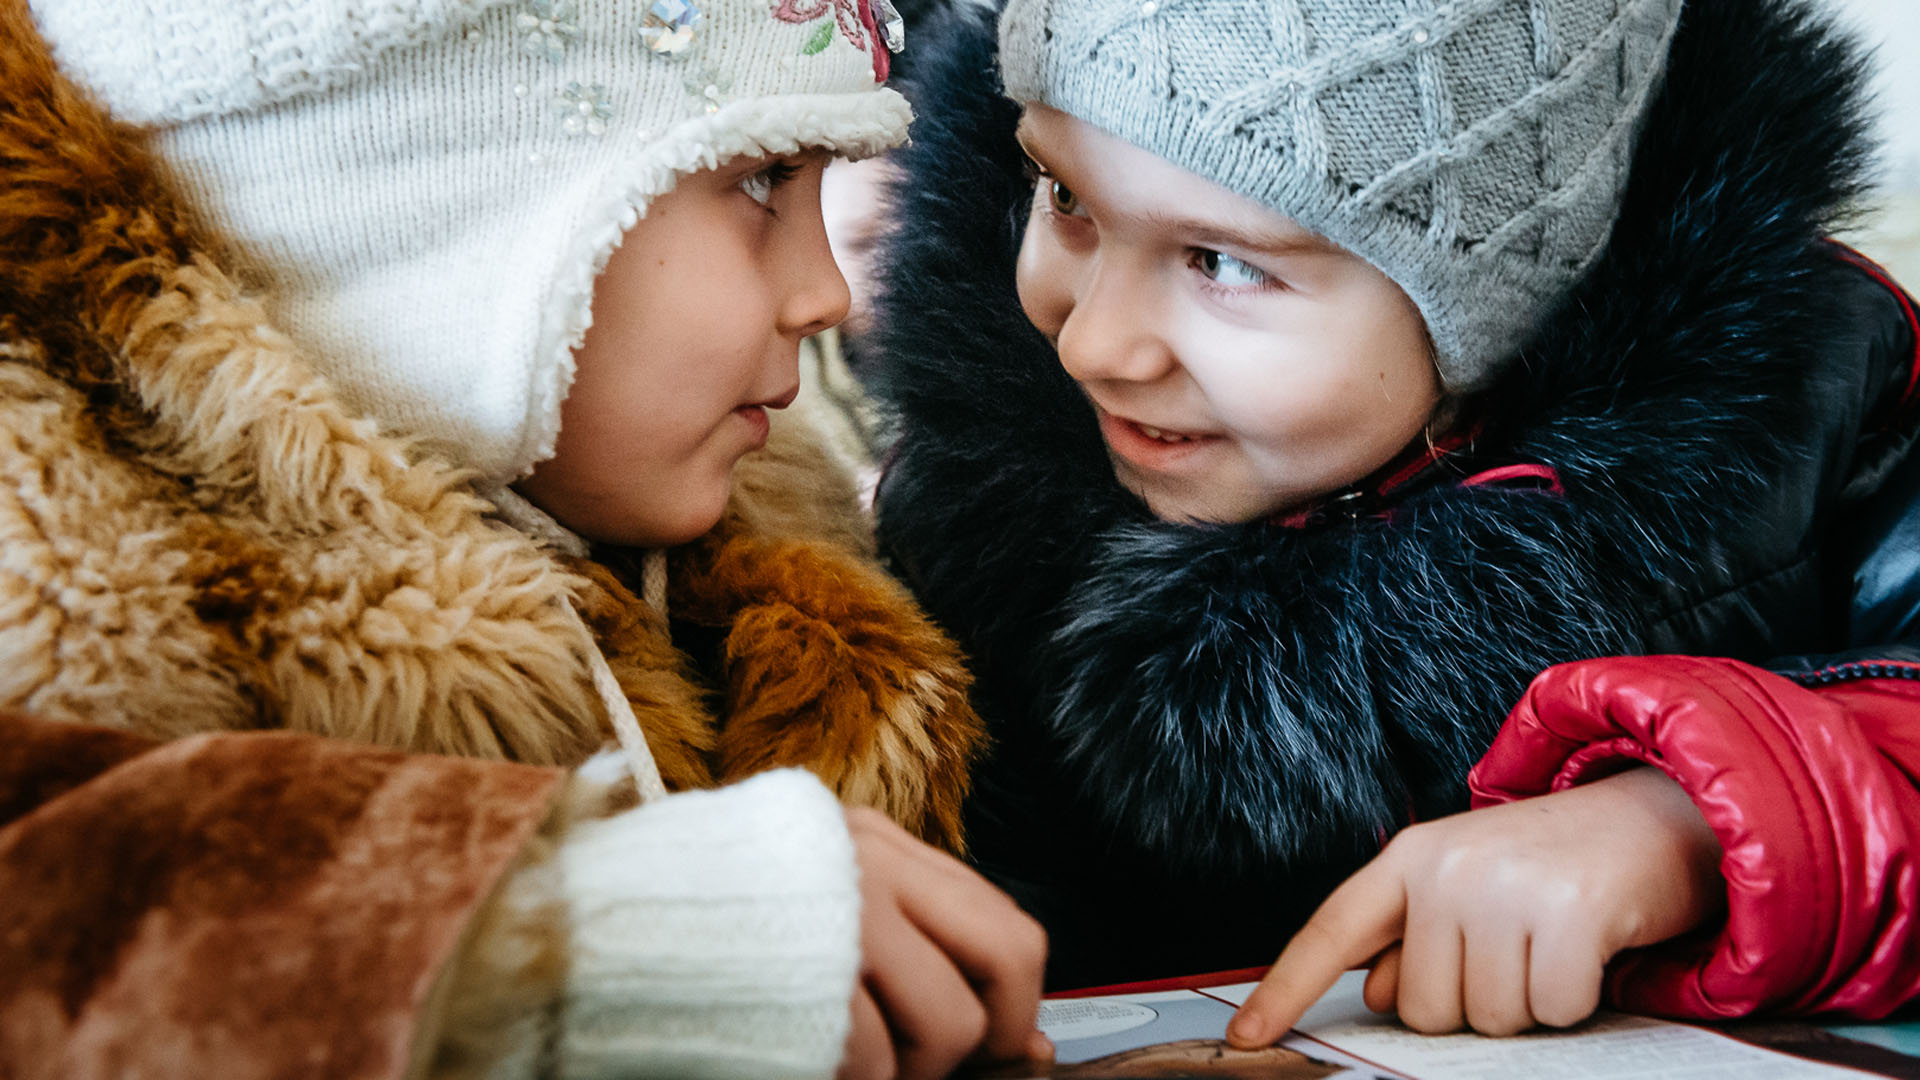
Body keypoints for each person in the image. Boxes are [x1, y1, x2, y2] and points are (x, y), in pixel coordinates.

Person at [0, 0, 1045, 1075]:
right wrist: (541, 936)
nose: (828, 292)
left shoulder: (766, 544)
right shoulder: (52, 590)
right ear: (420, 206)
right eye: (761, 180)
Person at [864, 0, 1920, 1033]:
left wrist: (1693, 828)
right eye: (1064, 197)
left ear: (1505, 277)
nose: (1096, 346)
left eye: (1223, 262)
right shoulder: (980, 488)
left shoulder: (1820, 414)